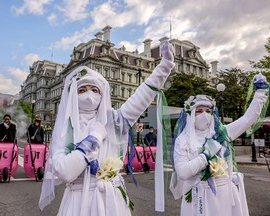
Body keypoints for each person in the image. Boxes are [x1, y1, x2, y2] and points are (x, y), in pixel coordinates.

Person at [39, 41, 175, 215]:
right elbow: (65, 171)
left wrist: (165, 66)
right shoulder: (66, 128)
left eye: (95, 90)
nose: (89, 95)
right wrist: (94, 138)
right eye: (82, 90)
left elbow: (142, 96)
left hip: (112, 200)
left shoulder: (114, 120)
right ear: (73, 95)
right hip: (79, 202)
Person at [169, 74, 268, 216]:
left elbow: (247, 119)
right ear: (190, 114)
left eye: (208, 111)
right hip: (197, 198)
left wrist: (260, 93)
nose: (205, 114)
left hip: (223, 196)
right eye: (199, 111)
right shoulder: (183, 139)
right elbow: (183, 172)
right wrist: (206, 155)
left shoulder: (222, 133)